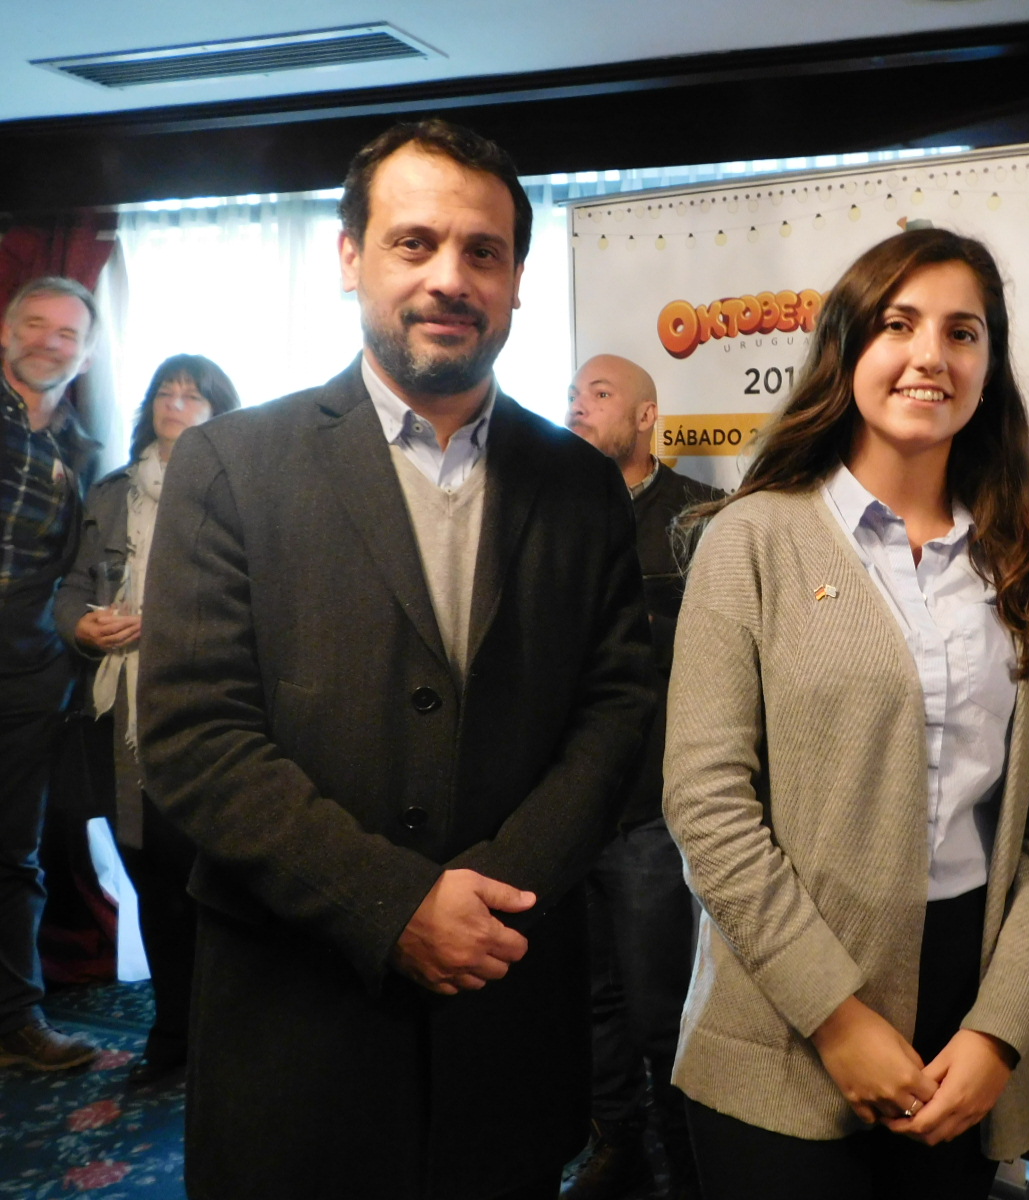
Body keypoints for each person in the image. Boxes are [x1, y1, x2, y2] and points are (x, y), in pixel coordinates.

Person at [137, 119, 657, 1200]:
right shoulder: (233, 466)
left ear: (517, 280)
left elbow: (615, 713)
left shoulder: (580, 485)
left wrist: (489, 899)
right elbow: (195, 738)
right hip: (297, 1024)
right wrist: (396, 907)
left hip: (505, 1014)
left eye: (483, 251)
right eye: (413, 243)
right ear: (349, 258)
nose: (448, 278)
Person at [663, 227, 1029, 1200]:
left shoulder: (1028, 558)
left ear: (989, 365)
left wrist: (1000, 1031)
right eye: (897, 324)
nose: (929, 356)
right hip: (782, 1018)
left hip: (964, 1013)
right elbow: (707, 808)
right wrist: (836, 1015)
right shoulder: (751, 539)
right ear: (848, 349)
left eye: (963, 332)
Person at [54, 354, 241, 1087]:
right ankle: (172, 1032)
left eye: (194, 394)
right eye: (167, 391)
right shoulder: (110, 491)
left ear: (219, 411)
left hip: (206, 710)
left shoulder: (239, 492)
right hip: (117, 713)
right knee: (150, 878)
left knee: (213, 881)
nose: (177, 402)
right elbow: (70, 588)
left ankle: (225, 1037)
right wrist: (83, 627)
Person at [564, 354, 720, 1200]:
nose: (578, 407)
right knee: (593, 1006)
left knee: (665, 1014)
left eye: (599, 393)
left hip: (658, 817)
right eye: (573, 393)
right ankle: (618, 1149)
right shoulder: (551, 512)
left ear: (648, 415)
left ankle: (688, 1169)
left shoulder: (700, 519)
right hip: (570, 809)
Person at [0, 276, 100, 1072]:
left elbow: (72, 575)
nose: (49, 342)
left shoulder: (84, 451)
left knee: (13, 855)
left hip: (30, 678)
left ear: (87, 352)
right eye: (36, 324)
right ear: (6, 331)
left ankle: (15, 1026)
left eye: (68, 333)